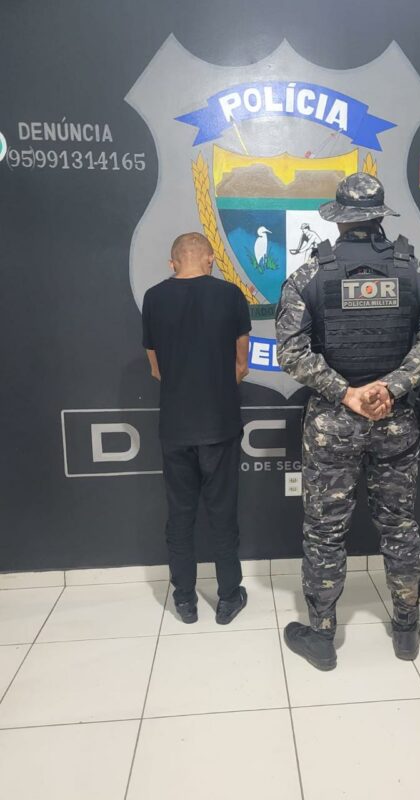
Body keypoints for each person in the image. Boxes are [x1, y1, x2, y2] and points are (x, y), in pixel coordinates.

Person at [275, 173, 420, 670]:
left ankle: (321, 635)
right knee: (398, 523)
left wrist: (346, 393)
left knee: (325, 530)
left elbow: (290, 351)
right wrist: (390, 388)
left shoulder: (310, 275)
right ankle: (406, 629)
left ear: (338, 220)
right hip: (395, 419)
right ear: (379, 216)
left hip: (333, 423)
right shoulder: (417, 272)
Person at [142, 232, 251, 625]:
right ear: (211, 259)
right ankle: (228, 597)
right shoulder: (231, 295)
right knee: (223, 514)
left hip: (175, 426)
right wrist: (216, 387)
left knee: (180, 515)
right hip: (219, 423)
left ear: (173, 263)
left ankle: (184, 600)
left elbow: (156, 369)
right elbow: (242, 365)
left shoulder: (154, 298)